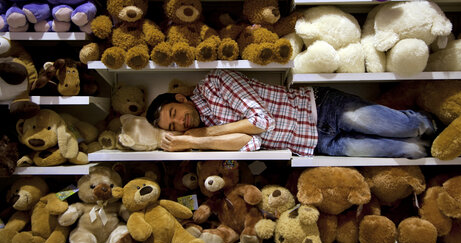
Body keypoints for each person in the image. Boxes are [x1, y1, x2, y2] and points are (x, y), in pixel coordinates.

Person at [146, 69, 436, 158]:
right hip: (314, 145)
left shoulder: (215, 83)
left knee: (406, 128)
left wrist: (204, 135)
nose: (180, 122)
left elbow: (261, 123)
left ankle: (434, 122)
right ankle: (442, 148)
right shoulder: (202, 136)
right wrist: (196, 142)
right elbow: (252, 143)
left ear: (181, 98)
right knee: (409, 149)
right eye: (173, 125)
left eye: (174, 112)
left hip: (321, 108)